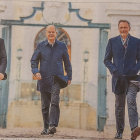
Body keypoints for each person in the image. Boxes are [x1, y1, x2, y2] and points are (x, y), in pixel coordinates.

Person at [31, 25, 72, 135]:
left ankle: (52, 125)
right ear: (46, 33)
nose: (51, 34)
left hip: (57, 79)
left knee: (54, 101)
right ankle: (45, 127)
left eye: (53, 32)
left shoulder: (62, 46)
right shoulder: (40, 46)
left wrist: (69, 77)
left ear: (56, 33)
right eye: (49, 32)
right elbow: (33, 60)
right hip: (43, 79)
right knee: (45, 105)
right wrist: (35, 71)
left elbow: (67, 63)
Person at [104, 20, 140, 140]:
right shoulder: (112, 41)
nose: (123, 29)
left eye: (125, 27)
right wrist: (114, 71)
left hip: (132, 79)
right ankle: (119, 131)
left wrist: (134, 69)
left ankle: (134, 129)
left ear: (129, 28)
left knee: (131, 101)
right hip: (118, 79)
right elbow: (107, 60)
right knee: (119, 106)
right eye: (121, 27)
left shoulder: (136, 42)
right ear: (118, 28)